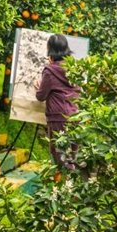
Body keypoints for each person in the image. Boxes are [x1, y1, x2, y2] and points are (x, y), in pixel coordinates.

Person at [35, 34, 82, 169]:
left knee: (60, 157)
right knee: (72, 157)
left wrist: (38, 88)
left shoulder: (50, 71)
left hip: (59, 117)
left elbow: (41, 96)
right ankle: (72, 180)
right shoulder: (74, 68)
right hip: (76, 115)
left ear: (50, 50)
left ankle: (64, 180)